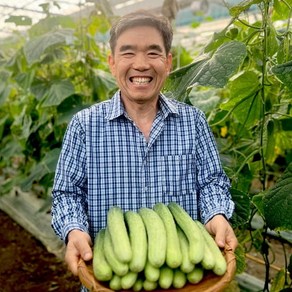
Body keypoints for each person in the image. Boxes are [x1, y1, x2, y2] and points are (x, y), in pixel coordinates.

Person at [51, 9, 238, 286]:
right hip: (109, 271)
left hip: (184, 281)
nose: (141, 64)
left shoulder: (193, 121)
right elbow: (66, 194)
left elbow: (212, 182)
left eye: (153, 53)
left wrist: (216, 214)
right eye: (128, 53)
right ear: (112, 63)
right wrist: (74, 230)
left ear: (168, 62)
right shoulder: (84, 125)